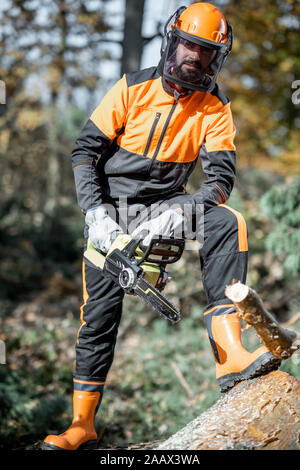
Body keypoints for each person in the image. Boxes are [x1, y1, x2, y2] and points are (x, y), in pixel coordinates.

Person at [42, 3, 280, 451]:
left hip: (168, 210)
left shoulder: (215, 107)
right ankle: (81, 423)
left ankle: (230, 356)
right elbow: (84, 152)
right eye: (188, 45)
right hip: (112, 214)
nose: (194, 56)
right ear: (173, 42)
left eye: (205, 51)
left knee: (229, 222)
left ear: (216, 57)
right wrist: (95, 214)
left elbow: (221, 181)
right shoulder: (132, 88)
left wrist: (183, 209)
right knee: (97, 319)